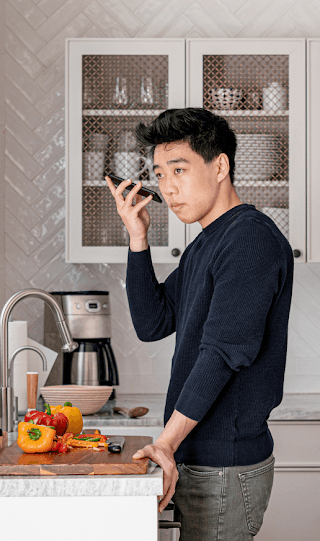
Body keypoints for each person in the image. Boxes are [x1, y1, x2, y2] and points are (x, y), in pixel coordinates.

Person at [106, 108, 294, 540]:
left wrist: (166, 443)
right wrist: (138, 238)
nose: (167, 188)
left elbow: (223, 353)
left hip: (223, 463)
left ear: (221, 165)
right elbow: (153, 322)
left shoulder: (249, 237)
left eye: (179, 169)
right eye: (159, 173)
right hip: (198, 455)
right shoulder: (207, 243)